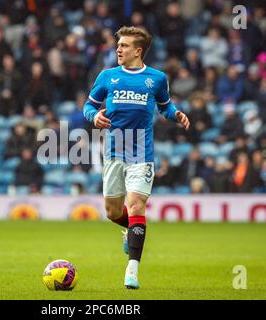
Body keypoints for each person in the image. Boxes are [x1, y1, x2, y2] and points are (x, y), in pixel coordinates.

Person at [83, 26, 190, 289]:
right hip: (113, 153)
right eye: (118, 45)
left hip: (142, 154)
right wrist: (93, 117)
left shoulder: (156, 78)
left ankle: (132, 270)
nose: (118, 49)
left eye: (124, 45)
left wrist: (176, 114)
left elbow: (165, 106)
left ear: (138, 51)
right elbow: (88, 106)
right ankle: (131, 232)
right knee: (111, 211)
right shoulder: (107, 77)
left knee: (136, 205)